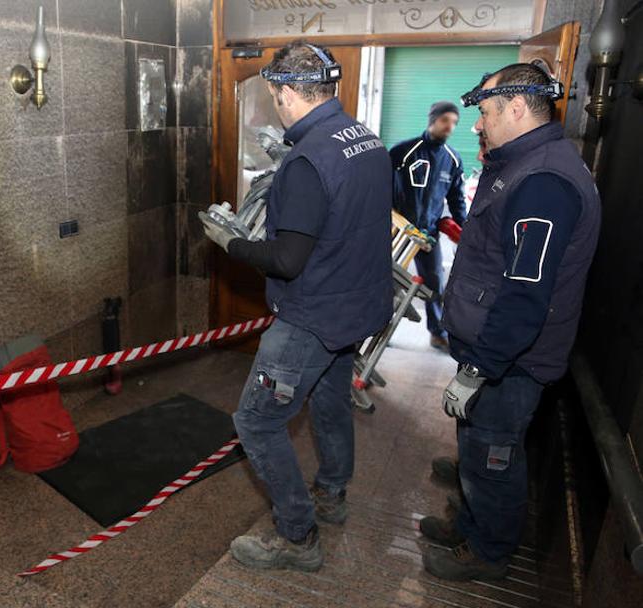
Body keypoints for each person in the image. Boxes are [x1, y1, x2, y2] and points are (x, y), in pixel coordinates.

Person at [200, 41, 392, 572]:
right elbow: (347, 222)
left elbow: (286, 259)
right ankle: (331, 492)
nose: (276, 105)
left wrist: (231, 242)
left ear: (286, 92)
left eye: (275, 96)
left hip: (313, 315)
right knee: (330, 404)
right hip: (357, 307)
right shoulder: (366, 138)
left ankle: (297, 534)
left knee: (257, 423)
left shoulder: (308, 160)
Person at [419, 63, 601, 581]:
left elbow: (525, 297)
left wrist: (477, 370)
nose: (478, 123)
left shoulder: (544, 182)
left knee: (492, 458)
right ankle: (472, 526)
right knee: (476, 451)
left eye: (487, 112)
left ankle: (489, 552)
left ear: (518, 109)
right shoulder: (525, 164)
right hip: (494, 353)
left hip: (509, 363)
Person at [390, 101, 468, 351]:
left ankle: (438, 333)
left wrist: (464, 230)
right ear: (433, 119)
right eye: (446, 120)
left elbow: (456, 199)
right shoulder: (403, 151)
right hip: (396, 231)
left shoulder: (453, 161)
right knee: (386, 282)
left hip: (428, 235)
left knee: (435, 283)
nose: (450, 127)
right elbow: (382, 187)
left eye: (454, 122)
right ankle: (377, 329)